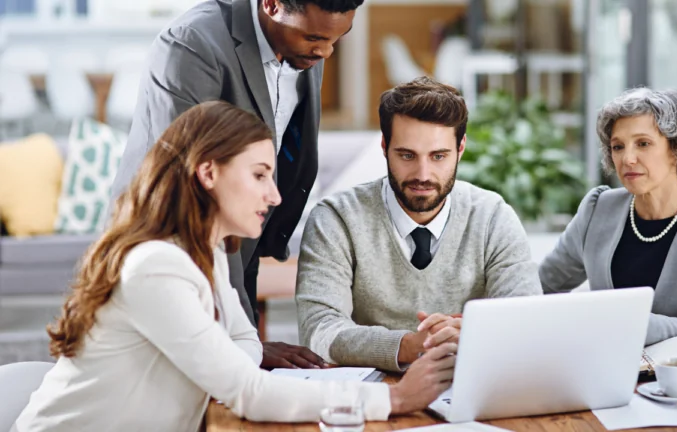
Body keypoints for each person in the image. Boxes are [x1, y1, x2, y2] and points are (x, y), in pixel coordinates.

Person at [13, 102, 457, 432]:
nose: (275, 196)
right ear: (209, 173)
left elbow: (243, 347)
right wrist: (392, 398)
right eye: (260, 175)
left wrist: (229, 361)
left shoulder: (204, 253)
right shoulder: (157, 267)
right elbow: (248, 391)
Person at [110, 0, 363, 369]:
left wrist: (248, 342)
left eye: (338, 38)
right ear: (271, 5)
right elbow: (195, 196)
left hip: (236, 243)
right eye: (314, 37)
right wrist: (246, 344)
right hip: (166, 249)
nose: (326, 51)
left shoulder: (307, 49)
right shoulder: (192, 46)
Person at [295, 77, 542, 372]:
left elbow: (525, 323)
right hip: (372, 395)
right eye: (407, 155)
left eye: (438, 156)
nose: (422, 174)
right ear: (385, 146)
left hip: (468, 387)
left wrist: (471, 333)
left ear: (460, 148)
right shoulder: (336, 218)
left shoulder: (493, 218)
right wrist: (408, 345)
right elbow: (319, 331)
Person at [538, 88, 677, 393]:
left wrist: (610, 319)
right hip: (613, 380)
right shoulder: (598, 208)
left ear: (676, 150)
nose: (627, 158)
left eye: (643, 143)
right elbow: (541, 285)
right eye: (617, 146)